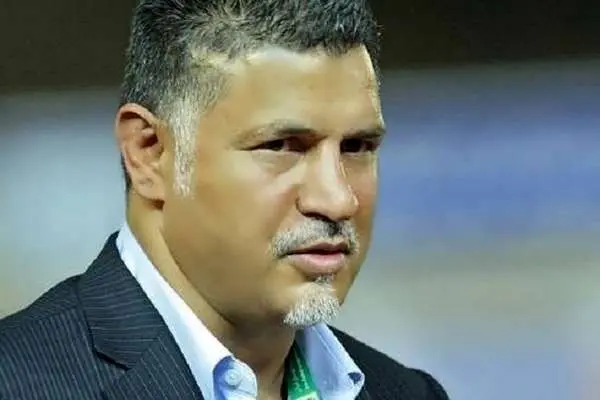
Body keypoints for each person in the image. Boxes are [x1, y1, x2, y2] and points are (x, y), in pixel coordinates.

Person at [0, 1, 449, 399]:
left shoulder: (408, 393)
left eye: (357, 147)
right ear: (149, 153)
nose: (338, 201)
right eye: (281, 146)